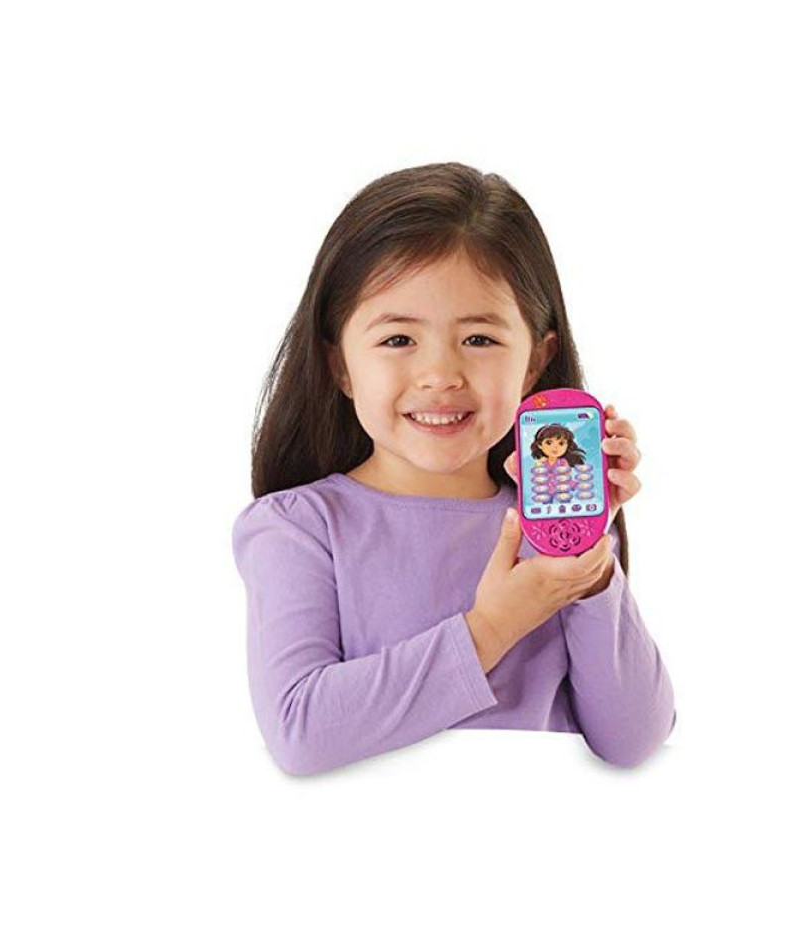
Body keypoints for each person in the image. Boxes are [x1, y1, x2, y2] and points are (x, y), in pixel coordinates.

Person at [231, 161, 677, 776]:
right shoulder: (297, 527)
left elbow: (632, 739)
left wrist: (590, 569)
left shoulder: (553, 533)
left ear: (534, 362)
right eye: (398, 340)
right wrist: (493, 626)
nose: (440, 375)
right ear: (340, 365)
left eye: (479, 339)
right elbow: (300, 730)